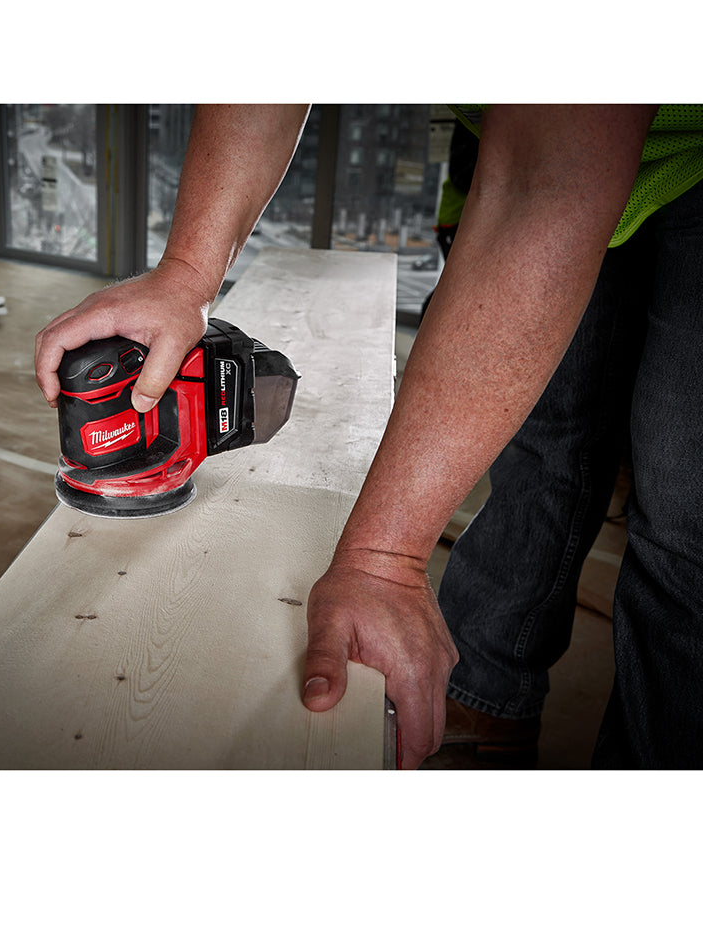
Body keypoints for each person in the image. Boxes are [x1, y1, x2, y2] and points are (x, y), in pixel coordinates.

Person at [34, 104, 703, 769]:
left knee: (684, 523)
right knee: (542, 441)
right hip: (514, 142)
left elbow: (542, 184)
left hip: (657, 155)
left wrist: (384, 560)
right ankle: (488, 699)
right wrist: (185, 274)